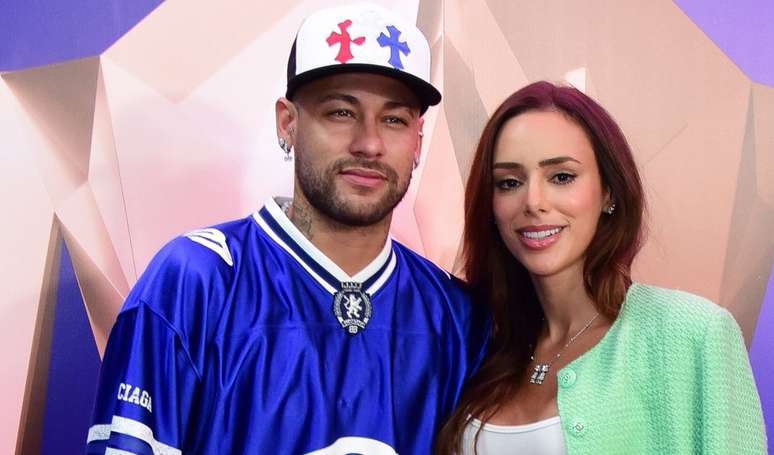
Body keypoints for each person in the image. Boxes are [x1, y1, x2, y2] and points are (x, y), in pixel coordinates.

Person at [85, 3, 489, 454]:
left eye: (394, 119)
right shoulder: (197, 281)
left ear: (417, 140)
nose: (369, 143)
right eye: (341, 112)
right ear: (288, 122)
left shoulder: (457, 316)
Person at [436, 81, 766, 454]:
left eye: (561, 177)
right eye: (509, 182)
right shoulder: (476, 340)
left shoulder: (692, 333)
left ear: (608, 191)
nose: (533, 201)